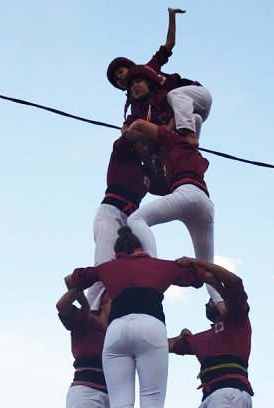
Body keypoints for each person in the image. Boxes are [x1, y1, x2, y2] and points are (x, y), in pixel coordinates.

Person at [65, 227, 207, 408]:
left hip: (116, 331)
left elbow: (71, 279)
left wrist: (85, 305)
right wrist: (191, 263)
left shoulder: (109, 268)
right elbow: (199, 277)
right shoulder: (159, 265)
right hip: (150, 326)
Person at [169, 258, 253, 408]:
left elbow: (235, 283)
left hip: (228, 393)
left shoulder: (236, 319)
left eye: (210, 298)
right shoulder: (206, 336)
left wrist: (201, 268)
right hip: (211, 398)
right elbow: (169, 345)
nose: (207, 303)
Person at [123, 120, 223, 308]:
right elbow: (156, 187)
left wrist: (131, 128)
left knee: (136, 219)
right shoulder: (185, 157)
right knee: (206, 266)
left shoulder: (175, 140)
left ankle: (153, 264)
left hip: (187, 195)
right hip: (205, 205)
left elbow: (141, 124)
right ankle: (222, 304)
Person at [85, 133, 168, 310]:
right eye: (142, 143)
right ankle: (92, 312)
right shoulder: (121, 155)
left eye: (147, 145)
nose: (144, 148)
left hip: (131, 220)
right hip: (111, 212)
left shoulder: (146, 172)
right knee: (105, 265)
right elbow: (128, 136)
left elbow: (165, 188)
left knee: (142, 261)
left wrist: (159, 160)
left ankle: (137, 305)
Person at [106, 7, 211, 145]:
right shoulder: (139, 106)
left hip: (195, 96)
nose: (119, 78)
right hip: (190, 115)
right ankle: (189, 151)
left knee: (173, 96)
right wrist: (126, 131)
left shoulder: (148, 69)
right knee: (182, 130)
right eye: (116, 80)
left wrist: (171, 16)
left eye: (120, 72)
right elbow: (134, 125)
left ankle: (189, 135)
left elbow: (169, 44)